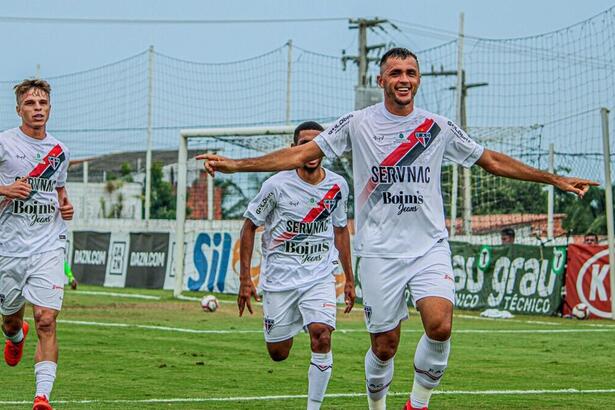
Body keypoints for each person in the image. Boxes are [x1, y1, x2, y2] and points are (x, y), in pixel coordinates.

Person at [197, 48, 597, 410]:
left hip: (429, 247)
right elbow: (302, 152)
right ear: (381, 81)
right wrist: (236, 164)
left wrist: (554, 179)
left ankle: (418, 404)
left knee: (440, 325)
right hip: (378, 253)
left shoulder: (437, 127)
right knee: (384, 347)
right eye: (395, 73)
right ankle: (378, 405)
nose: (403, 79)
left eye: (410, 72)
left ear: (418, 80)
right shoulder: (356, 124)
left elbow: (489, 159)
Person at [238, 121, 355, 410]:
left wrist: (350, 279)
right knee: (278, 352)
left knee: (322, 335)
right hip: (280, 281)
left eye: (316, 143)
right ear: (293, 149)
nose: (310, 150)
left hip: (319, 277)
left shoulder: (338, 186)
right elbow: (249, 226)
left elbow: (341, 230)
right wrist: (245, 279)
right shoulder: (275, 186)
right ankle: (292, 326)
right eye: (303, 143)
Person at [0, 79, 73, 410]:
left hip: (48, 245)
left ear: (50, 108)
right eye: (30, 103)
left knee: (46, 318)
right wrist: (5, 190)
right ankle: (16, 335)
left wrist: (65, 205)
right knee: (10, 320)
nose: (38, 108)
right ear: (19, 110)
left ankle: (42, 397)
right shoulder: (4, 145)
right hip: (8, 247)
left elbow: (59, 192)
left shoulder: (60, 151)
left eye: (42, 102)